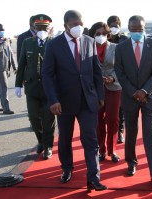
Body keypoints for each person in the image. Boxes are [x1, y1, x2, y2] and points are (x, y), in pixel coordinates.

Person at [41, 10, 107, 191]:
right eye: (74, 24)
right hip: (64, 101)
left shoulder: (90, 41)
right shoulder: (54, 45)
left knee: (91, 139)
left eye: (81, 24)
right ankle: (67, 168)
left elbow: (96, 71)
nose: (78, 27)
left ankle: (94, 177)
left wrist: (100, 95)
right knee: (65, 138)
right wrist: (52, 100)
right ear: (65, 26)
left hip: (88, 100)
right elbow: (47, 74)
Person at [114, 15, 152, 185]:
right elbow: (120, 73)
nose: (136, 32)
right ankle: (131, 162)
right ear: (128, 28)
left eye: (139, 29)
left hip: (149, 97)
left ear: (144, 28)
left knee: (151, 134)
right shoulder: (121, 48)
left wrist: (144, 91)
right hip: (129, 97)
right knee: (131, 132)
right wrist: (133, 91)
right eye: (133, 29)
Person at [15, 14, 56, 160]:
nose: (41, 30)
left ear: (49, 28)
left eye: (44, 27)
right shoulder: (27, 42)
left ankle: (48, 146)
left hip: (49, 89)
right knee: (33, 118)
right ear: (34, 27)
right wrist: (18, 84)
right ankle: (41, 141)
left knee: (48, 119)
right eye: (38, 27)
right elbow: (22, 64)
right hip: (32, 87)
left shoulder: (54, 42)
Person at [89, 22, 121, 163]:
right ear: (93, 35)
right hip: (95, 89)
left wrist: (112, 78)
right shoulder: (88, 48)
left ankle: (112, 150)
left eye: (103, 33)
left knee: (113, 119)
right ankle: (101, 150)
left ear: (108, 34)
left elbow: (121, 67)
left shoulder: (115, 48)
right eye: (97, 33)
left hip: (113, 87)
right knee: (98, 121)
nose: (101, 36)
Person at [107, 15, 128, 144]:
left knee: (120, 108)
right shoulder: (104, 38)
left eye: (116, 25)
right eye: (111, 25)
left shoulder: (124, 40)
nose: (114, 28)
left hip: (121, 78)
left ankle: (120, 131)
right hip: (107, 78)